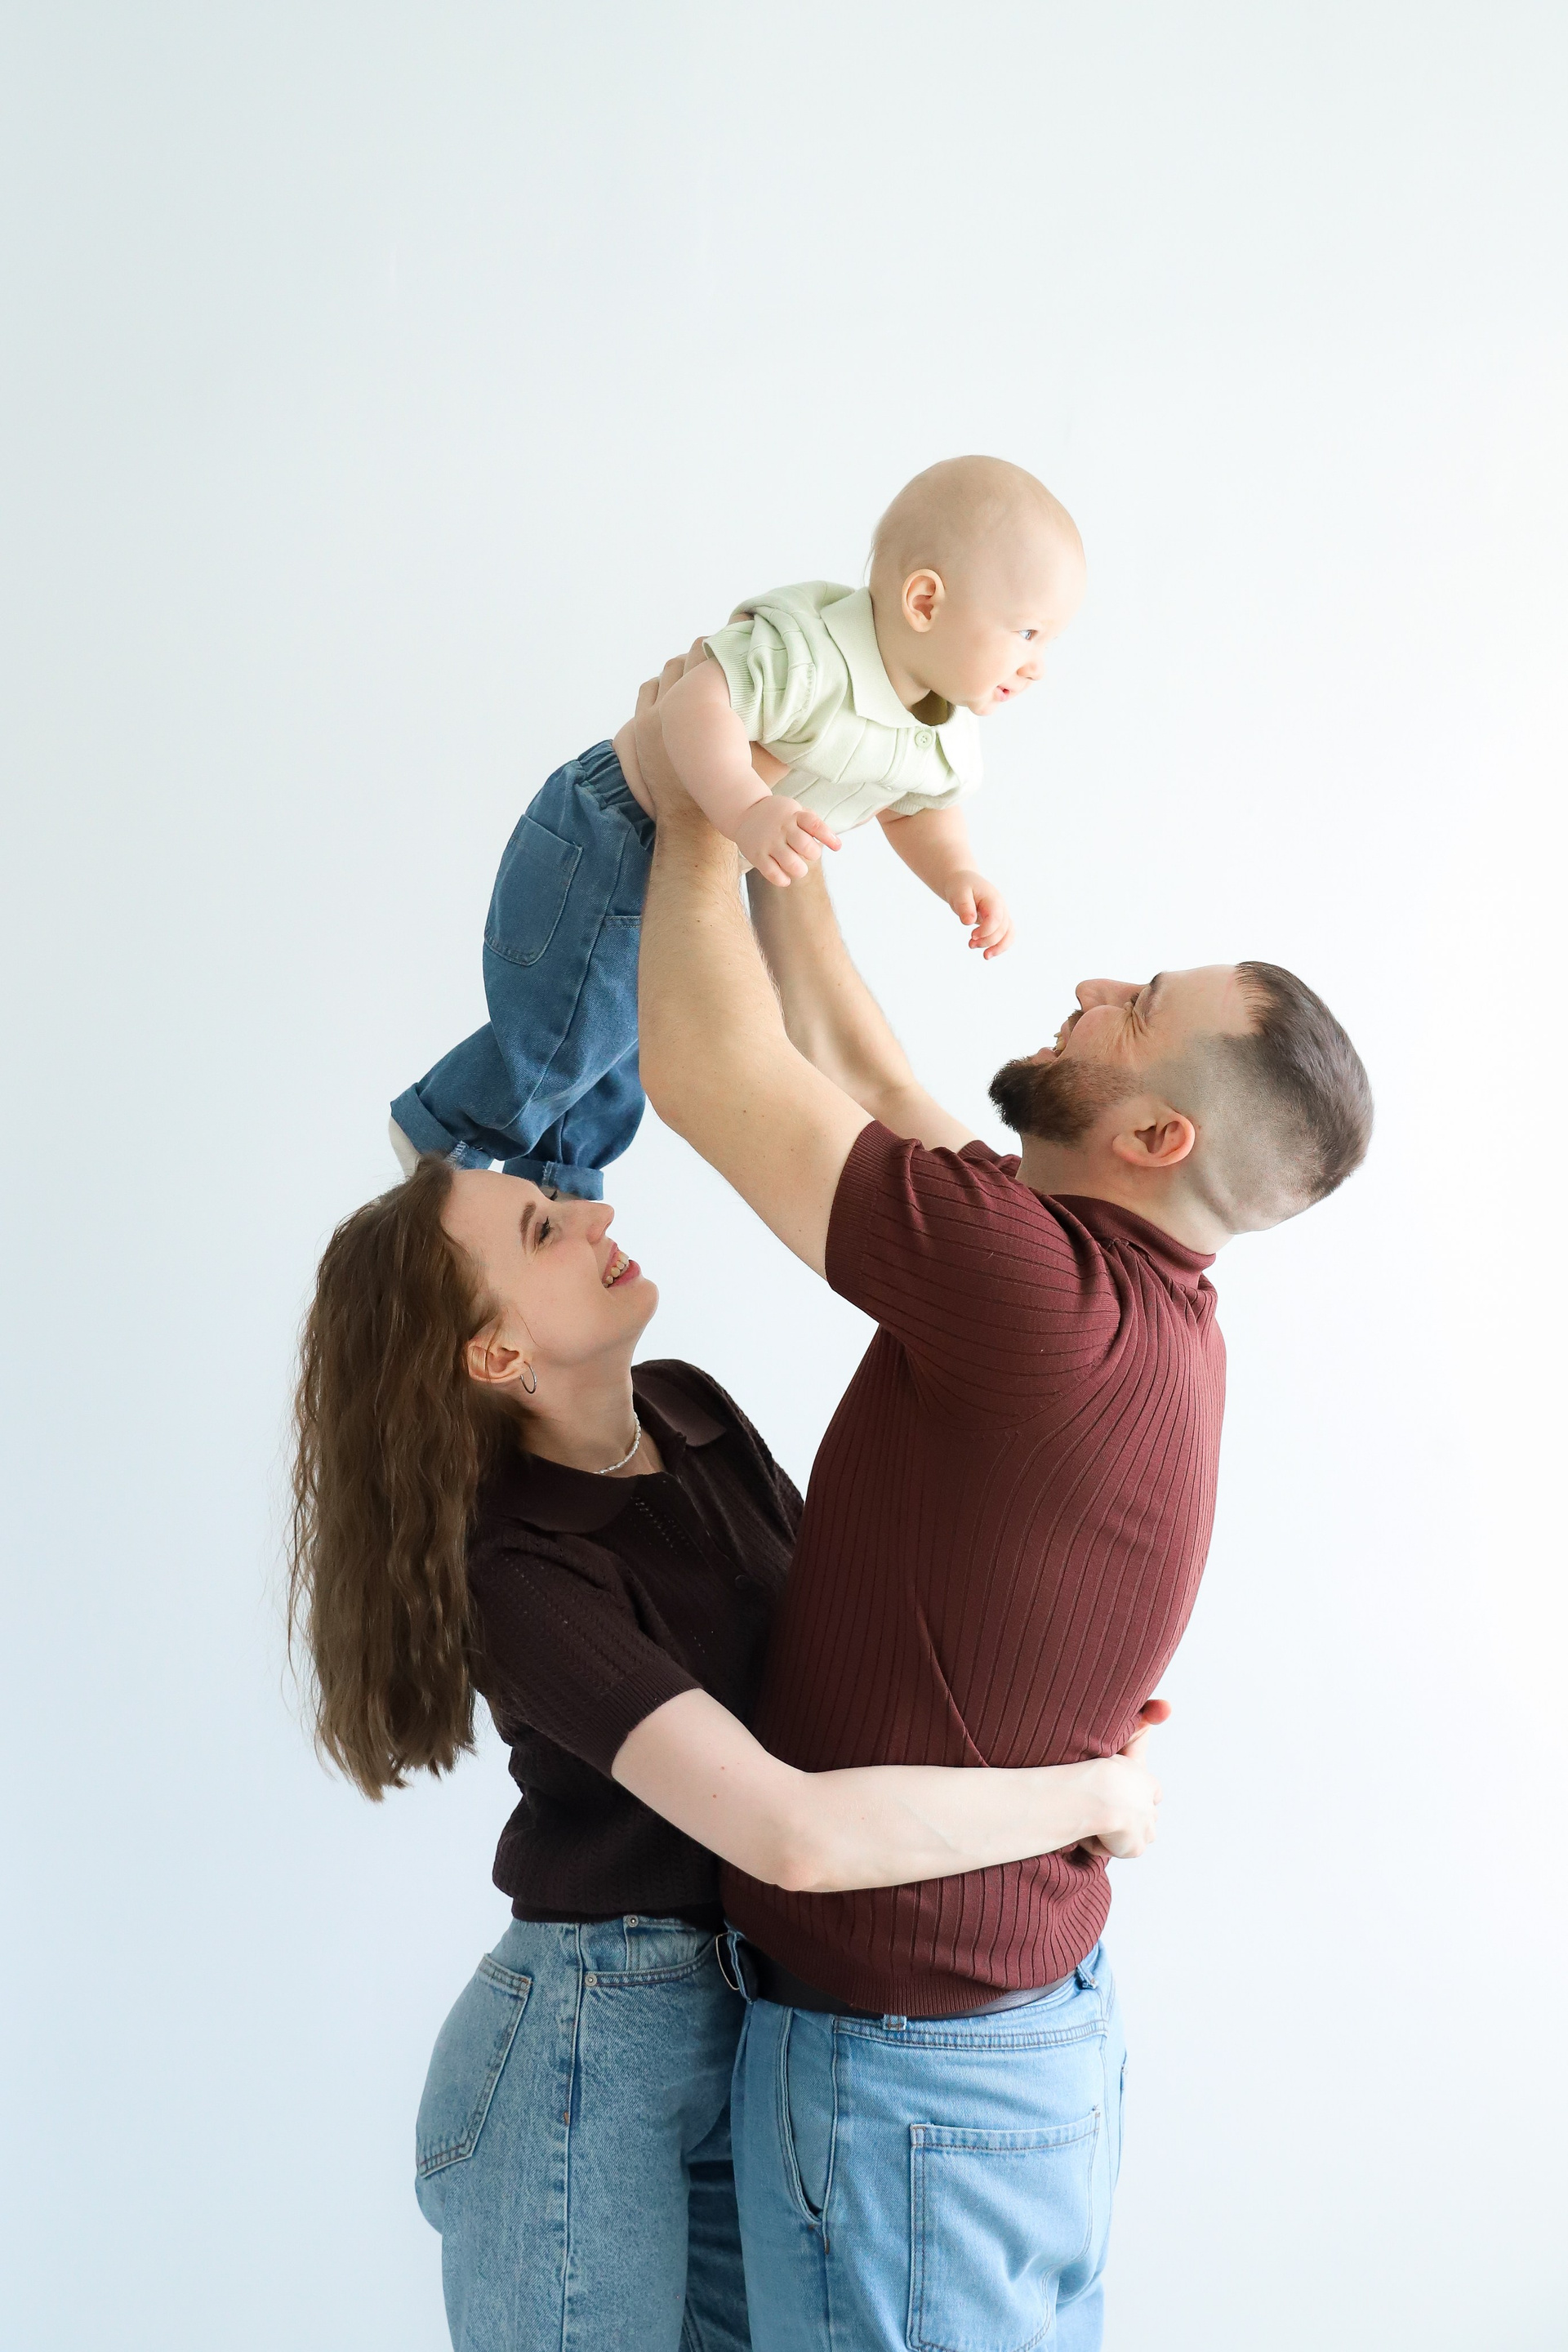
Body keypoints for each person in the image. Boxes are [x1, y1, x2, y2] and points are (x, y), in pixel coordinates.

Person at [632, 662, 1374, 2352]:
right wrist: (782, 821)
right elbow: (860, 1063)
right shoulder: (1126, 1294)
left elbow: (708, 1067)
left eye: (1136, 1006)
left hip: (909, 2085)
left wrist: (689, 797)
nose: (1092, 985)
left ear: (1155, 1130)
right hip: (984, 2056)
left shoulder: (1032, 1297)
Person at [287, 1154, 1168, 2352]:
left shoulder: (690, 1412)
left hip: (759, 2021)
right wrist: (1090, 1795)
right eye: (544, 1229)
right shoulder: (519, 1575)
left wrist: (1048, 1715)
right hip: (592, 2054)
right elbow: (788, 1831)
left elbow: (851, 1672)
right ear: (495, 1357)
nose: (597, 1211)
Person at [388, 457, 1085, 1198]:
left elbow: (918, 807)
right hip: (613, 829)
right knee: (570, 1034)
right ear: (924, 601)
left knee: (631, 1041)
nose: (1039, 666)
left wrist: (957, 874)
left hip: (694, 867)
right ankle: (441, 1131)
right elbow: (694, 704)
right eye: (1028, 632)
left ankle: (562, 1184)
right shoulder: (811, 651)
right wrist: (747, 807)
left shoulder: (944, 729)